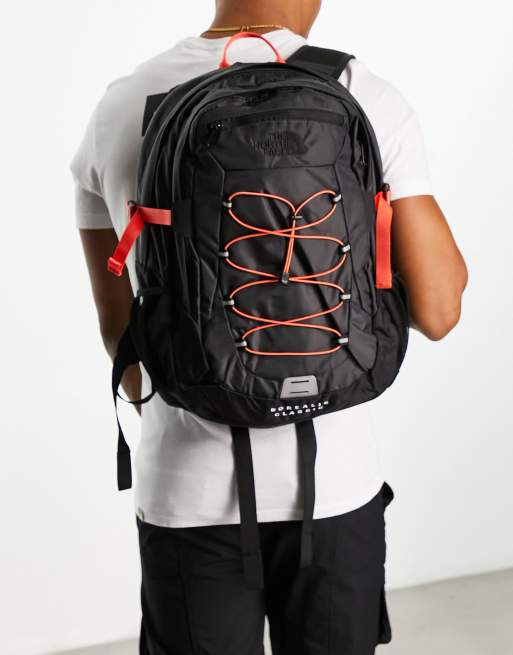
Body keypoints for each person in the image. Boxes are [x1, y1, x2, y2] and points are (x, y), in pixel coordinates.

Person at [70, 1, 468, 653]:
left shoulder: (121, 105)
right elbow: (439, 310)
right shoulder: (362, 92)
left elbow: (121, 330)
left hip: (186, 491)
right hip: (335, 487)